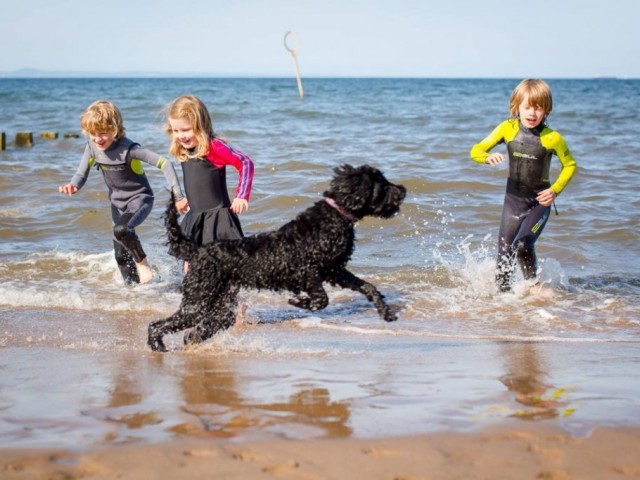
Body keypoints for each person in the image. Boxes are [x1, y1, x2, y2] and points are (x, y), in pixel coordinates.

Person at [59, 100, 188, 285]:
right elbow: (81, 173)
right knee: (120, 255)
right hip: (117, 205)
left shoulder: (130, 149)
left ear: (115, 128)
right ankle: (135, 294)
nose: (97, 139)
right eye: (93, 134)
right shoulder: (92, 148)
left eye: (102, 133)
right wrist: (73, 185)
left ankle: (143, 263)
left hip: (139, 200)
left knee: (122, 229)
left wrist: (179, 195)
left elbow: (164, 164)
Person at [470, 79, 577, 293]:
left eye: (538, 108)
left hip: (539, 203)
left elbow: (570, 165)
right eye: (527, 107)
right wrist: (486, 157)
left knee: (523, 244)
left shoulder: (553, 138)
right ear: (516, 106)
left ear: (546, 110)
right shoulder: (507, 128)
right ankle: (505, 302)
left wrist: (554, 190)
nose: (531, 113)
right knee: (504, 252)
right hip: (513, 202)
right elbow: (476, 150)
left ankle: (534, 288)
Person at [165, 95, 254, 273]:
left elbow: (245, 163)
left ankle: (236, 300)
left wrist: (241, 196)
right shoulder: (184, 148)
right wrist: (182, 198)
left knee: (224, 266)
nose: (181, 136)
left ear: (200, 125)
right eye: (176, 131)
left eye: (186, 130)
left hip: (217, 218)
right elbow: (194, 179)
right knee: (190, 267)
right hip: (196, 217)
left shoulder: (213, 147)